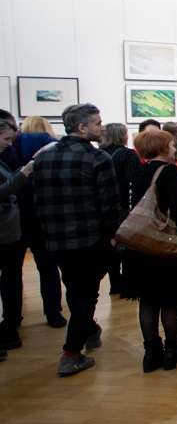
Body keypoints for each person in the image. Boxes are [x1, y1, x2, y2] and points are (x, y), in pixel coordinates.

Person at [31, 103, 123, 377]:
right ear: (82, 128)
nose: (102, 127)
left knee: (75, 290)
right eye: (97, 123)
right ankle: (71, 353)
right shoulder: (97, 158)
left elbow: (38, 200)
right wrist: (113, 235)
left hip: (57, 239)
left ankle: (90, 330)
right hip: (90, 240)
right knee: (85, 294)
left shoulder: (44, 157)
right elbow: (109, 204)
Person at [128, 129, 177, 372]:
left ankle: (151, 353)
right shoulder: (169, 172)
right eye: (171, 144)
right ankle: (173, 351)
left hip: (142, 244)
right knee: (171, 299)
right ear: (162, 148)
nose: (175, 148)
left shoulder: (139, 172)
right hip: (166, 243)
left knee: (148, 299)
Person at [0, 108, 63, 327]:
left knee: (48, 267)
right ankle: (11, 318)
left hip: (37, 216)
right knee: (10, 272)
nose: (8, 142)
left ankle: (53, 312)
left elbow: (59, 147)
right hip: (10, 220)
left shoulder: (37, 140)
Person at [0, 119, 46, 355]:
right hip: (5, 230)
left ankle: (10, 324)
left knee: (11, 277)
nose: (9, 144)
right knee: (10, 277)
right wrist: (26, 171)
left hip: (10, 229)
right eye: (6, 139)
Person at [99, 123, 140, 297]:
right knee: (128, 246)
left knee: (112, 246)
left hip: (105, 207)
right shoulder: (127, 154)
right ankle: (129, 283)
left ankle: (115, 282)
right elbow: (134, 181)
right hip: (124, 206)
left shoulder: (100, 154)